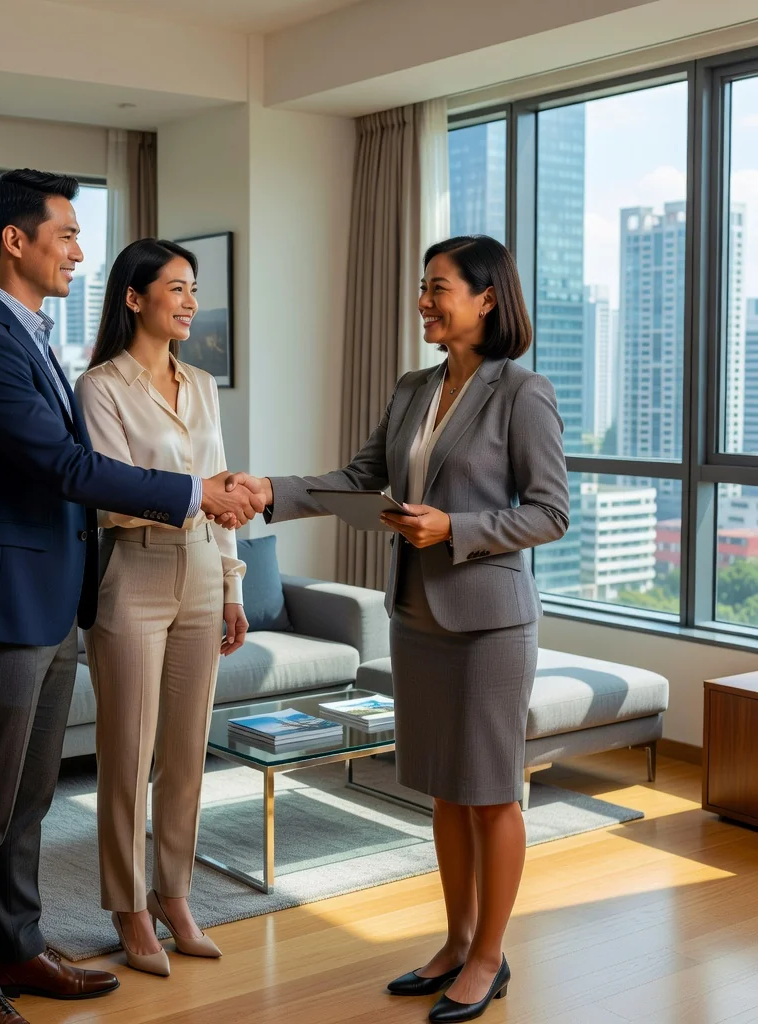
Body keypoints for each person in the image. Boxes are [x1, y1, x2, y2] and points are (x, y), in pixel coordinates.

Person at [0, 169, 261, 1024]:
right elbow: (67, 469)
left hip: (49, 600)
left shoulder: (31, 336)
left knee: (29, 800)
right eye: (67, 234)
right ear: (16, 240)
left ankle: (20, 948)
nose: (79, 251)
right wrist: (194, 494)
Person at [231, 235, 569, 1023]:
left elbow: (550, 512)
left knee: (490, 796)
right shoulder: (414, 387)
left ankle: (490, 956)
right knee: (445, 793)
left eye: (439, 288)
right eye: (423, 287)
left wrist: (455, 525)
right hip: (416, 614)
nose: (424, 300)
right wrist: (265, 490)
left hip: (490, 622)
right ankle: (455, 941)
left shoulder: (523, 392)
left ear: (487, 298)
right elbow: (357, 479)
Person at [74, 239, 245, 976]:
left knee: (185, 754)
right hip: (134, 578)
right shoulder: (100, 387)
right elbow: (109, 495)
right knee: (127, 753)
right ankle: (128, 906)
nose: (189, 301)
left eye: (194, 288)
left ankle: (175, 896)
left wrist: (234, 585)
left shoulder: (202, 384)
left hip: (205, 571)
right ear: (134, 298)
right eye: (175, 288)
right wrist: (193, 495)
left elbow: (223, 489)